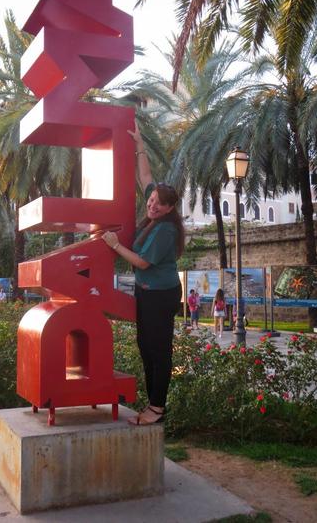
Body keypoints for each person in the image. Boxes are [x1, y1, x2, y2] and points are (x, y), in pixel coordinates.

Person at [102, 122, 184, 426]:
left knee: (158, 350)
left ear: (169, 208)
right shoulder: (154, 202)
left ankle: (157, 408)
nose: (152, 206)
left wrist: (114, 245)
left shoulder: (165, 229)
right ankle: (153, 403)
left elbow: (142, 263)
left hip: (160, 295)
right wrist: (139, 144)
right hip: (146, 292)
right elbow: (146, 176)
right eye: (150, 202)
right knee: (145, 346)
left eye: (158, 205)